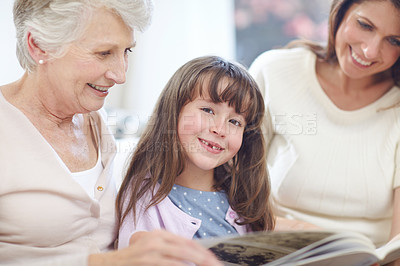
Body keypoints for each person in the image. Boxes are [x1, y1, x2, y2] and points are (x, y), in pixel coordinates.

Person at [0, 1, 222, 265]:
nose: (120, 75)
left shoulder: (95, 117)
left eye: (126, 50)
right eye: (103, 53)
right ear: (38, 45)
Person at [249, 0, 400, 248]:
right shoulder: (274, 72)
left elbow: (398, 245)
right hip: (277, 252)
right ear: (340, 13)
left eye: (394, 40)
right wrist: (315, 237)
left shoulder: (396, 107)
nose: (370, 51)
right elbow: (227, 199)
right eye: (365, 25)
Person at [116, 55, 275, 248]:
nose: (220, 129)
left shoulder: (242, 196)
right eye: (208, 110)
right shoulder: (144, 198)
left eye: (235, 122)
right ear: (173, 110)